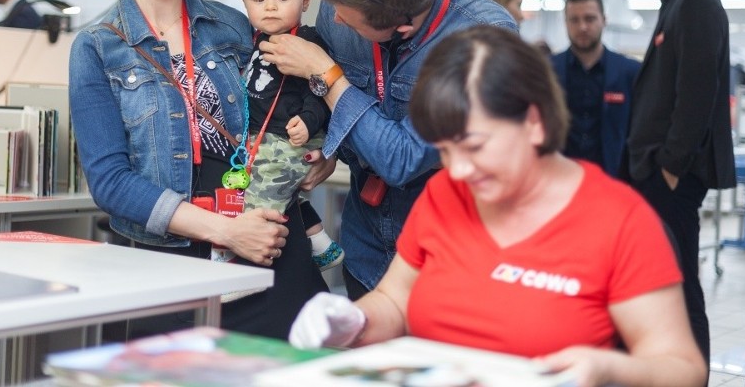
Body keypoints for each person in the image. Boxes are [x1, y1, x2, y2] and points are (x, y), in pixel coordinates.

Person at [289, 26, 707, 387]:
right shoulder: (445, 196)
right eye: (445, 151)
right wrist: (352, 322)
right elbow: (395, 302)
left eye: (474, 147)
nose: (458, 170)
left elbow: (682, 369)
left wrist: (607, 368)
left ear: (535, 121)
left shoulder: (620, 221)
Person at [68, 0, 328, 340]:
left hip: (265, 246)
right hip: (166, 264)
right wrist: (223, 230)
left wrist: (318, 151)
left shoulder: (235, 28)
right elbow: (110, 182)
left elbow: (289, 102)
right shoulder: (98, 46)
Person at [258, 0, 516, 300]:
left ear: (402, 27)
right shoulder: (345, 1)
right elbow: (324, 106)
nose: (335, 21)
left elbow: (403, 158)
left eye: (349, 20)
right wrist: (324, 147)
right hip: (366, 248)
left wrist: (328, 75)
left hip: (447, 253)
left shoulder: (483, 37)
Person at [620, 0, 736, 372]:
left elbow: (698, 94)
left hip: (673, 179)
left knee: (681, 287)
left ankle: (693, 375)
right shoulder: (679, 2)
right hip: (660, 175)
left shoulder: (696, 3)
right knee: (663, 284)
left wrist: (670, 165)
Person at [230, 0, 343, 272]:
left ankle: (248, 267)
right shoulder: (247, 41)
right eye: (259, 0)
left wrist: (309, 120)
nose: (271, 8)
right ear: (244, 0)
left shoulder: (307, 41)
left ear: (306, 1)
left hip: (291, 138)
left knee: (261, 199)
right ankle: (320, 242)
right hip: (259, 139)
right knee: (275, 189)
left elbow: (320, 92)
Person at [551, 0, 640, 177]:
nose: (582, 27)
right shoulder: (547, 71)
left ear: (604, 20)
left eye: (589, 19)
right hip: (559, 178)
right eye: (574, 20)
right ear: (565, 23)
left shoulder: (629, 72)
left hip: (614, 180)